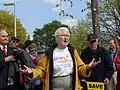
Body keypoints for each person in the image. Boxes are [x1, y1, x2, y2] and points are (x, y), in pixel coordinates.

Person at [21, 27, 101, 90]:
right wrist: (31, 72)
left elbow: (80, 68)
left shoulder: (73, 51)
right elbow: (41, 71)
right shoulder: (49, 53)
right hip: (54, 86)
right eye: (63, 35)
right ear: (57, 38)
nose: (66, 37)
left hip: (72, 86)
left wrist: (87, 67)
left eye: (67, 35)